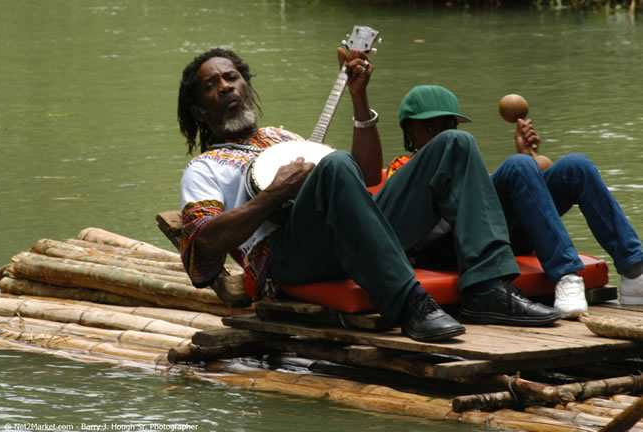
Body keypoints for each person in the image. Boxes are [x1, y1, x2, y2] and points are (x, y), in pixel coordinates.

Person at [176, 48, 561, 344]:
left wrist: (359, 99)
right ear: (197, 110)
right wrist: (275, 192)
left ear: (247, 87)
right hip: (290, 259)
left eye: (231, 78)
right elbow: (204, 244)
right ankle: (410, 304)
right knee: (336, 163)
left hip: (353, 235)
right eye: (212, 85)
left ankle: (487, 288)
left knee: (455, 143)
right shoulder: (204, 169)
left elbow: (360, 175)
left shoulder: (286, 138)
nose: (226, 86)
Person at [386, 84, 643, 318]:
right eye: (430, 129)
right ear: (409, 131)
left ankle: (634, 271)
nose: (441, 136)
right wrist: (520, 166)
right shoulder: (404, 169)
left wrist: (527, 157)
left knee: (576, 166)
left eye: (447, 128)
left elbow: (491, 200)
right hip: (448, 247)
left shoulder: (462, 160)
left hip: (493, 237)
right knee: (517, 166)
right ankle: (566, 275)